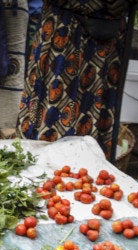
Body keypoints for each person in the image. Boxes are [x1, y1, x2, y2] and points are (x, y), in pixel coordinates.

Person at [17, 0, 131, 160]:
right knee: (52, 112)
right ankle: (43, 172)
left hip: (107, 35)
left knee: (96, 113)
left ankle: (88, 174)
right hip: (63, 30)